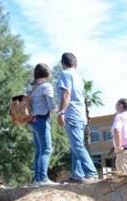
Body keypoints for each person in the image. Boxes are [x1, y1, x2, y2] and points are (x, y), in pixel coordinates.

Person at [56, 52, 98, 183]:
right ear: (75, 64)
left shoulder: (65, 74)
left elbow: (66, 93)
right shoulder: (78, 77)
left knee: (77, 145)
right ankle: (77, 174)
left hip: (72, 114)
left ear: (62, 63)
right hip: (81, 115)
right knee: (75, 146)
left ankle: (91, 172)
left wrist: (61, 112)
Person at [27, 63, 56, 186]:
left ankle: (37, 179)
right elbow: (51, 106)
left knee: (39, 150)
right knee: (46, 149)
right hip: (42, 119)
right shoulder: (46, 86)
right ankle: (43, 178)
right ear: (47, 73)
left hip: (32, 120)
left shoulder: (30, 87)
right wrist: (58, 110)